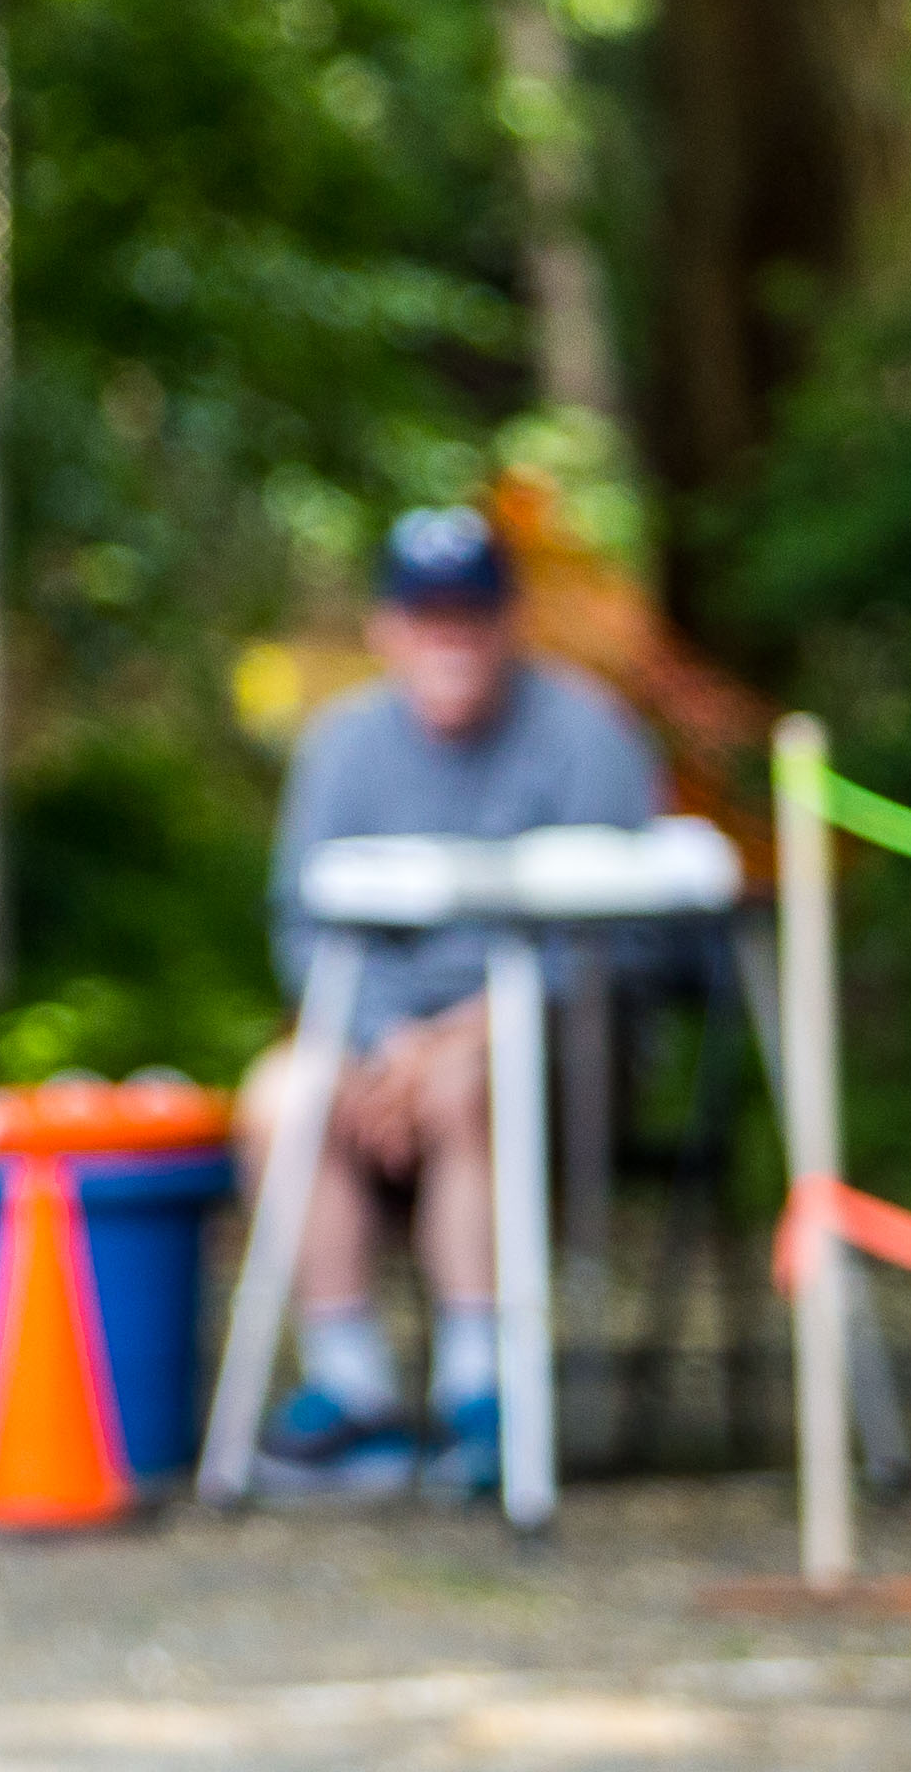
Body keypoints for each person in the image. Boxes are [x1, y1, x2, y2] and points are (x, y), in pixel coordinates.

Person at [244, 503, 660, 1501]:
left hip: (554, 1054)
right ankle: (355, 1395)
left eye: (469, 616)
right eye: (426, 616)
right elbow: (304, 927)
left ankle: (485, 1392)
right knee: (278, 1095)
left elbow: (630, 941)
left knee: (471, 1080)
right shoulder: (341, 747)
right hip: (380, 1036)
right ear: (386, 629)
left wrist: (457, 1038)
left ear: (508, 621)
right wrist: (388, 1041)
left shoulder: (590, 734)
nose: (450, 640)